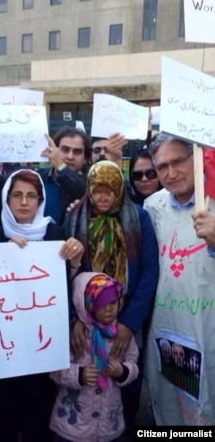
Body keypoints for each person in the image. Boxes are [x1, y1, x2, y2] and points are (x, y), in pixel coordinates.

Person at [0, 169, 84, 442]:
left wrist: (75, 262)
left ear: (40, 201)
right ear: (6, 200)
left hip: (39, 359)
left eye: (31, 196)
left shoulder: (56, 234)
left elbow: (63, 293)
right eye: (17, 195)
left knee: (36, 428)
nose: (24, 202)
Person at [65, 160, 159, 433]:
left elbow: (148, 271)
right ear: (89, 190)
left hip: (125, 317)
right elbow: (64, 273)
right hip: (85, 322)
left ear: (120, 190)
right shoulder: (74, 217)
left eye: (110, 190)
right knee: (83, 380)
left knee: (125, 379)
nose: (103, 197)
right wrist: (76, 319)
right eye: (97, 190)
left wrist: (128, 324)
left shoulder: (138, 218)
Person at [144, 132, 215, 425]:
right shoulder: (152, 207)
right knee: (176, 409)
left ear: (195, 157)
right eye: (162, 167)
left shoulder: (211, 203)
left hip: (208, 331)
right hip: (169, 332)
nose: (171, 173)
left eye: (178, 162)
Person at [50, 271, 139, 442]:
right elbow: (56, 369)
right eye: (101, 304)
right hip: (73, 426)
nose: (109, 309)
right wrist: (79, 375)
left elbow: (133, 362)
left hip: (108, 422)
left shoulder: (120, 334)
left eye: (113, 303)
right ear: (87, 304)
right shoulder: (75, 335)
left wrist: (123, 372)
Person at [0, 127, 91, 227]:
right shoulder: (30, 176)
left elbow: (85, 193)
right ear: (53, 150)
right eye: (65, 150)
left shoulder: (89, 184)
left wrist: (61, 168)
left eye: (77, 152)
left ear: (85, 159)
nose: (70, 156)